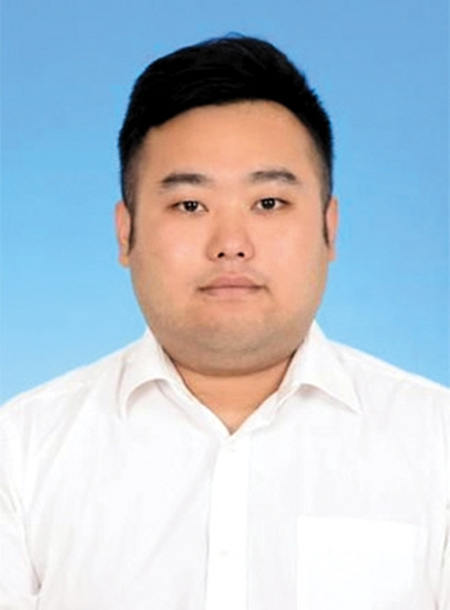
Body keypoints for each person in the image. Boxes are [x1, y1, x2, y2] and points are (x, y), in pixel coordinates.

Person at [0, 35, 448, 610]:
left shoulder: (437, 445)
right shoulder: (20, 453)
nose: (231, 244)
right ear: (126, 232)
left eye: (269, 203)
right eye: (190, 205)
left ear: (329, 228)